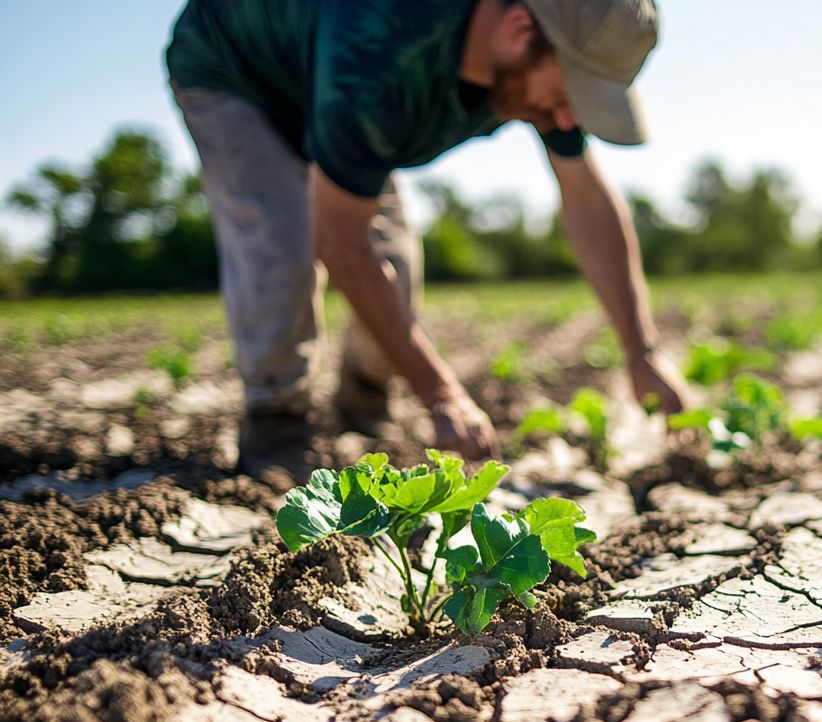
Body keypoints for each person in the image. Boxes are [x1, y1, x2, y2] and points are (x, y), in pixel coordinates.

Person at [165, 0, 689, 480]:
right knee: (282, 252)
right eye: (573, 91)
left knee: (397, 268)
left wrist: (642, 350)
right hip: (235, 71)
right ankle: (276, 421)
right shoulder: (382, 42)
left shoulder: (541, 67)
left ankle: (363, 400)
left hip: (341, 92)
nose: (570, 118)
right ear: (518, 27)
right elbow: (340, 242)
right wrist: (442, 395)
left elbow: (588, 201)